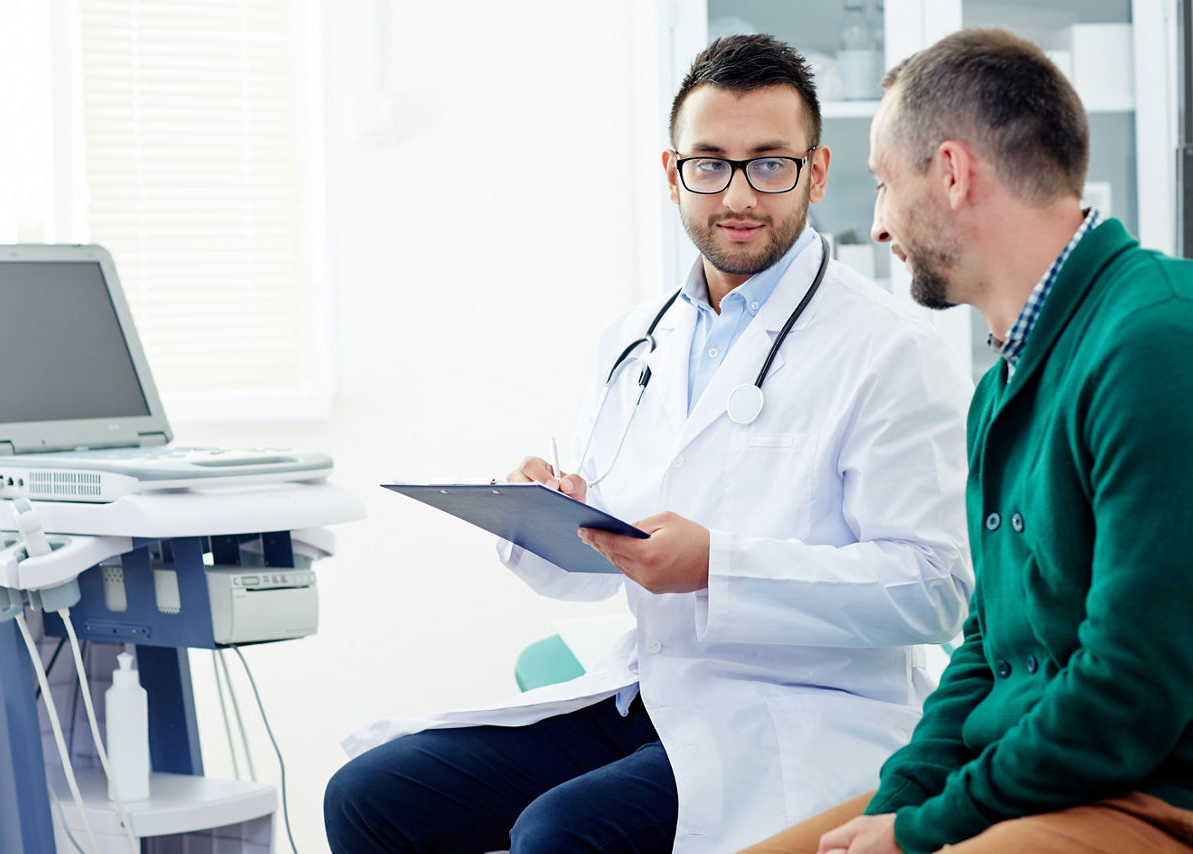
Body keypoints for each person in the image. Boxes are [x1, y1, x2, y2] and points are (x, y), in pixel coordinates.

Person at [325, 34, 974, 853]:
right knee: (370, 797)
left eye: (769, 163)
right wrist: (555, 514)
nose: (738, 194)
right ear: (673, 175)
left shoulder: (892, 350)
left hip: (799, 714)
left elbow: (935, 588)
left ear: (815, 171)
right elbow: (611, 559)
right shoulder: (638, 339)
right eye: (710, 164)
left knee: (560, 834)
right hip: (649, 690)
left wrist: (719, 565)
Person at [740, 26, 1193, 854]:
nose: (879, 226)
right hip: (1026, 782)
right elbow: (986, 648)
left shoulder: (1157, 342)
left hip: (1152, 794)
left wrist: (929, 828)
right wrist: (894, 806)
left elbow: (1131, 691)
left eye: (884, 184)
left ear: (951, 174)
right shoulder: (1002, 385)